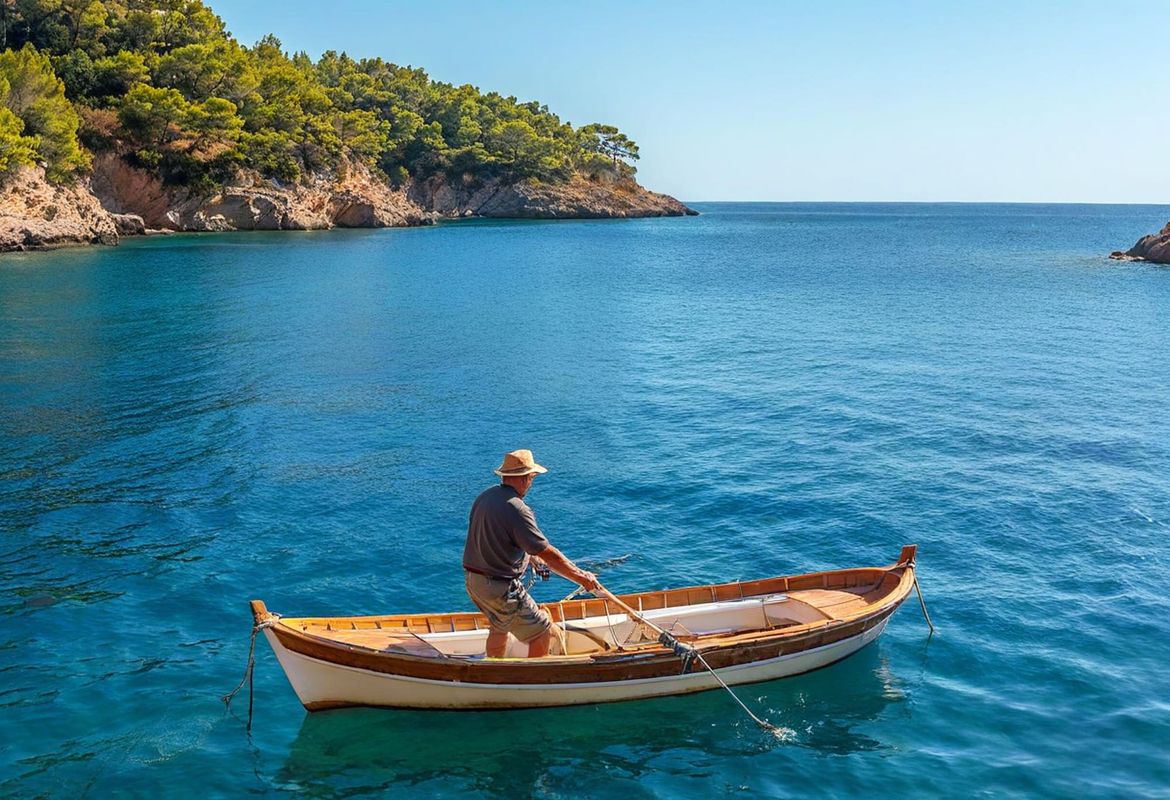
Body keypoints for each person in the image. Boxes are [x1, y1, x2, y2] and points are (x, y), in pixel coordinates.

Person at [463, 449, 600, 658]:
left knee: (499, 624)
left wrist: (532, 558)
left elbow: (500, 538)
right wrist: (582, 577)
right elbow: (548, 553)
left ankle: (493, 670)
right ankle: (532, 680)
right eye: (532, 478)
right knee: (542, 632)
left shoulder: (486, 497)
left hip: (475, 583)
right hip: (500, 587)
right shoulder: (517, 509)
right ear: (526, 478)